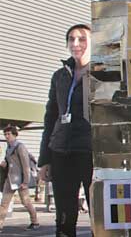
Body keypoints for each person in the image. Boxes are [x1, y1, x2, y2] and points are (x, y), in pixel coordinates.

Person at [38, 24, 93, 237]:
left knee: (99, 215)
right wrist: (45, 159)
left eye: (82, 39)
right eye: (71, 39)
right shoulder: (60, 76)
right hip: (61, 151)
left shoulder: (103, 73)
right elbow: (50, 117)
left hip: (91, 153)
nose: (75, 43)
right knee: (63, 216)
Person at [0, 125, 40, 231]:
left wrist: (26, 181)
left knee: (26, 202)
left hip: (21, 179)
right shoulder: (8, 148)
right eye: (5, 134)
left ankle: (35, 221)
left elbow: (25, 165)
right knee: (4, 203)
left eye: (9, 134)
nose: (7, 136)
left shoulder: (20, 147)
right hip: (10, 179)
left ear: (14, 135)